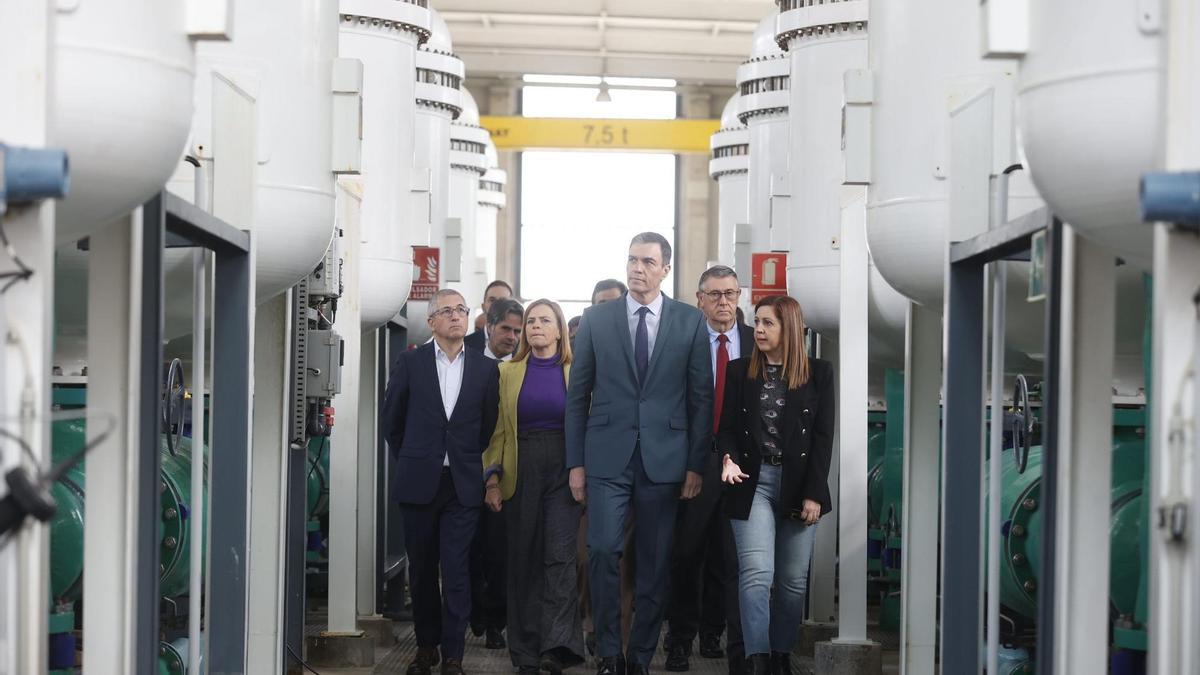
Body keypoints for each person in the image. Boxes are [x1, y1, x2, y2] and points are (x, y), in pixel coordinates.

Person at [567, 232, 713, 675]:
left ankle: (641, 657)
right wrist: (576, 464)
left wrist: (694, 465)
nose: (637, 269)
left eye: (648, 261)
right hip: (607, 458)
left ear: (665, 269)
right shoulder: (596, 320)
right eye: (632, 260)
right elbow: (578, 396)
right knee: (602, 552)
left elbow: (701, 399)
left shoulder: (689, 321)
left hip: (666, 461)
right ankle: (609, 652)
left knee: (654, 564)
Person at [383, 288, 501, 675]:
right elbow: (392, 423)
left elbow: (486, 428)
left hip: (462, 485)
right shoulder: (410, 362)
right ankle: (425, 648)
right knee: (421, 571)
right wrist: (419, 457)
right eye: (446, 311)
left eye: (461, 310)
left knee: (456, 570)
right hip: (419, 483)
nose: (455, 316)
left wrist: (462, 460)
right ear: (431, 321)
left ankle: (453, 655)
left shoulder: (485, 370)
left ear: (468, 319)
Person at [716, 296, 834, 675]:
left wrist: (815, 492)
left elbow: (822, 437)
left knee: (792, 583)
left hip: (800, 486)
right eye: (757, 322)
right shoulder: (738, 372)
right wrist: (728, 458)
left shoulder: (819, 373)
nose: (759, 330)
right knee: (756, 574)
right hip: (752, 484)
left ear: (789, 328)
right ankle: (758, 659)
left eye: (768, 323)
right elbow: (727, 430)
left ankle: (781, 655)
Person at [482, 300, 585, 675]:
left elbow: (589, 423)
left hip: (565, 466)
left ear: (560, 330)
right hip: (519, 466)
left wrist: (583, 469)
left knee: (559, 558)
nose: (536, 326)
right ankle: (524, 651)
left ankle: (556, 648)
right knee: (522, 558)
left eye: (545, 320)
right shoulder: (507, 372)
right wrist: (492, 479)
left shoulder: (577, 370)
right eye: (531, 321)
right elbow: (496, 432)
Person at [663, 266, 753, 673]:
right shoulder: (681, 340)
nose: (723, 302)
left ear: (740, 297)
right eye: (714, 294)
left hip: (741, 462)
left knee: (730, 555)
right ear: (699, 299)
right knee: (687, 553)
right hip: (694, 460)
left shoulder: (756, 341)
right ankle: (679, 640)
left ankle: (714, 633)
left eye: (730, 293)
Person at [470, 298, 525, 647]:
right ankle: (476, 613)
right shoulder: (467, 361)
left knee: (499, 552)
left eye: (518, 330)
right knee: (468, 551)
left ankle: (495, 622)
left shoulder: (524, 366)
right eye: (506, 328)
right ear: (488, 326)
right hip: (462, 469)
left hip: (503, 475)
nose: (513, 336)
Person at [465, 280, 515, 352]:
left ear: (513, 307)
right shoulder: (465, 345)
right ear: (483, 306)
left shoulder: (525, 346)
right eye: (492, 300)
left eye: (503, 301)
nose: (497, 305)